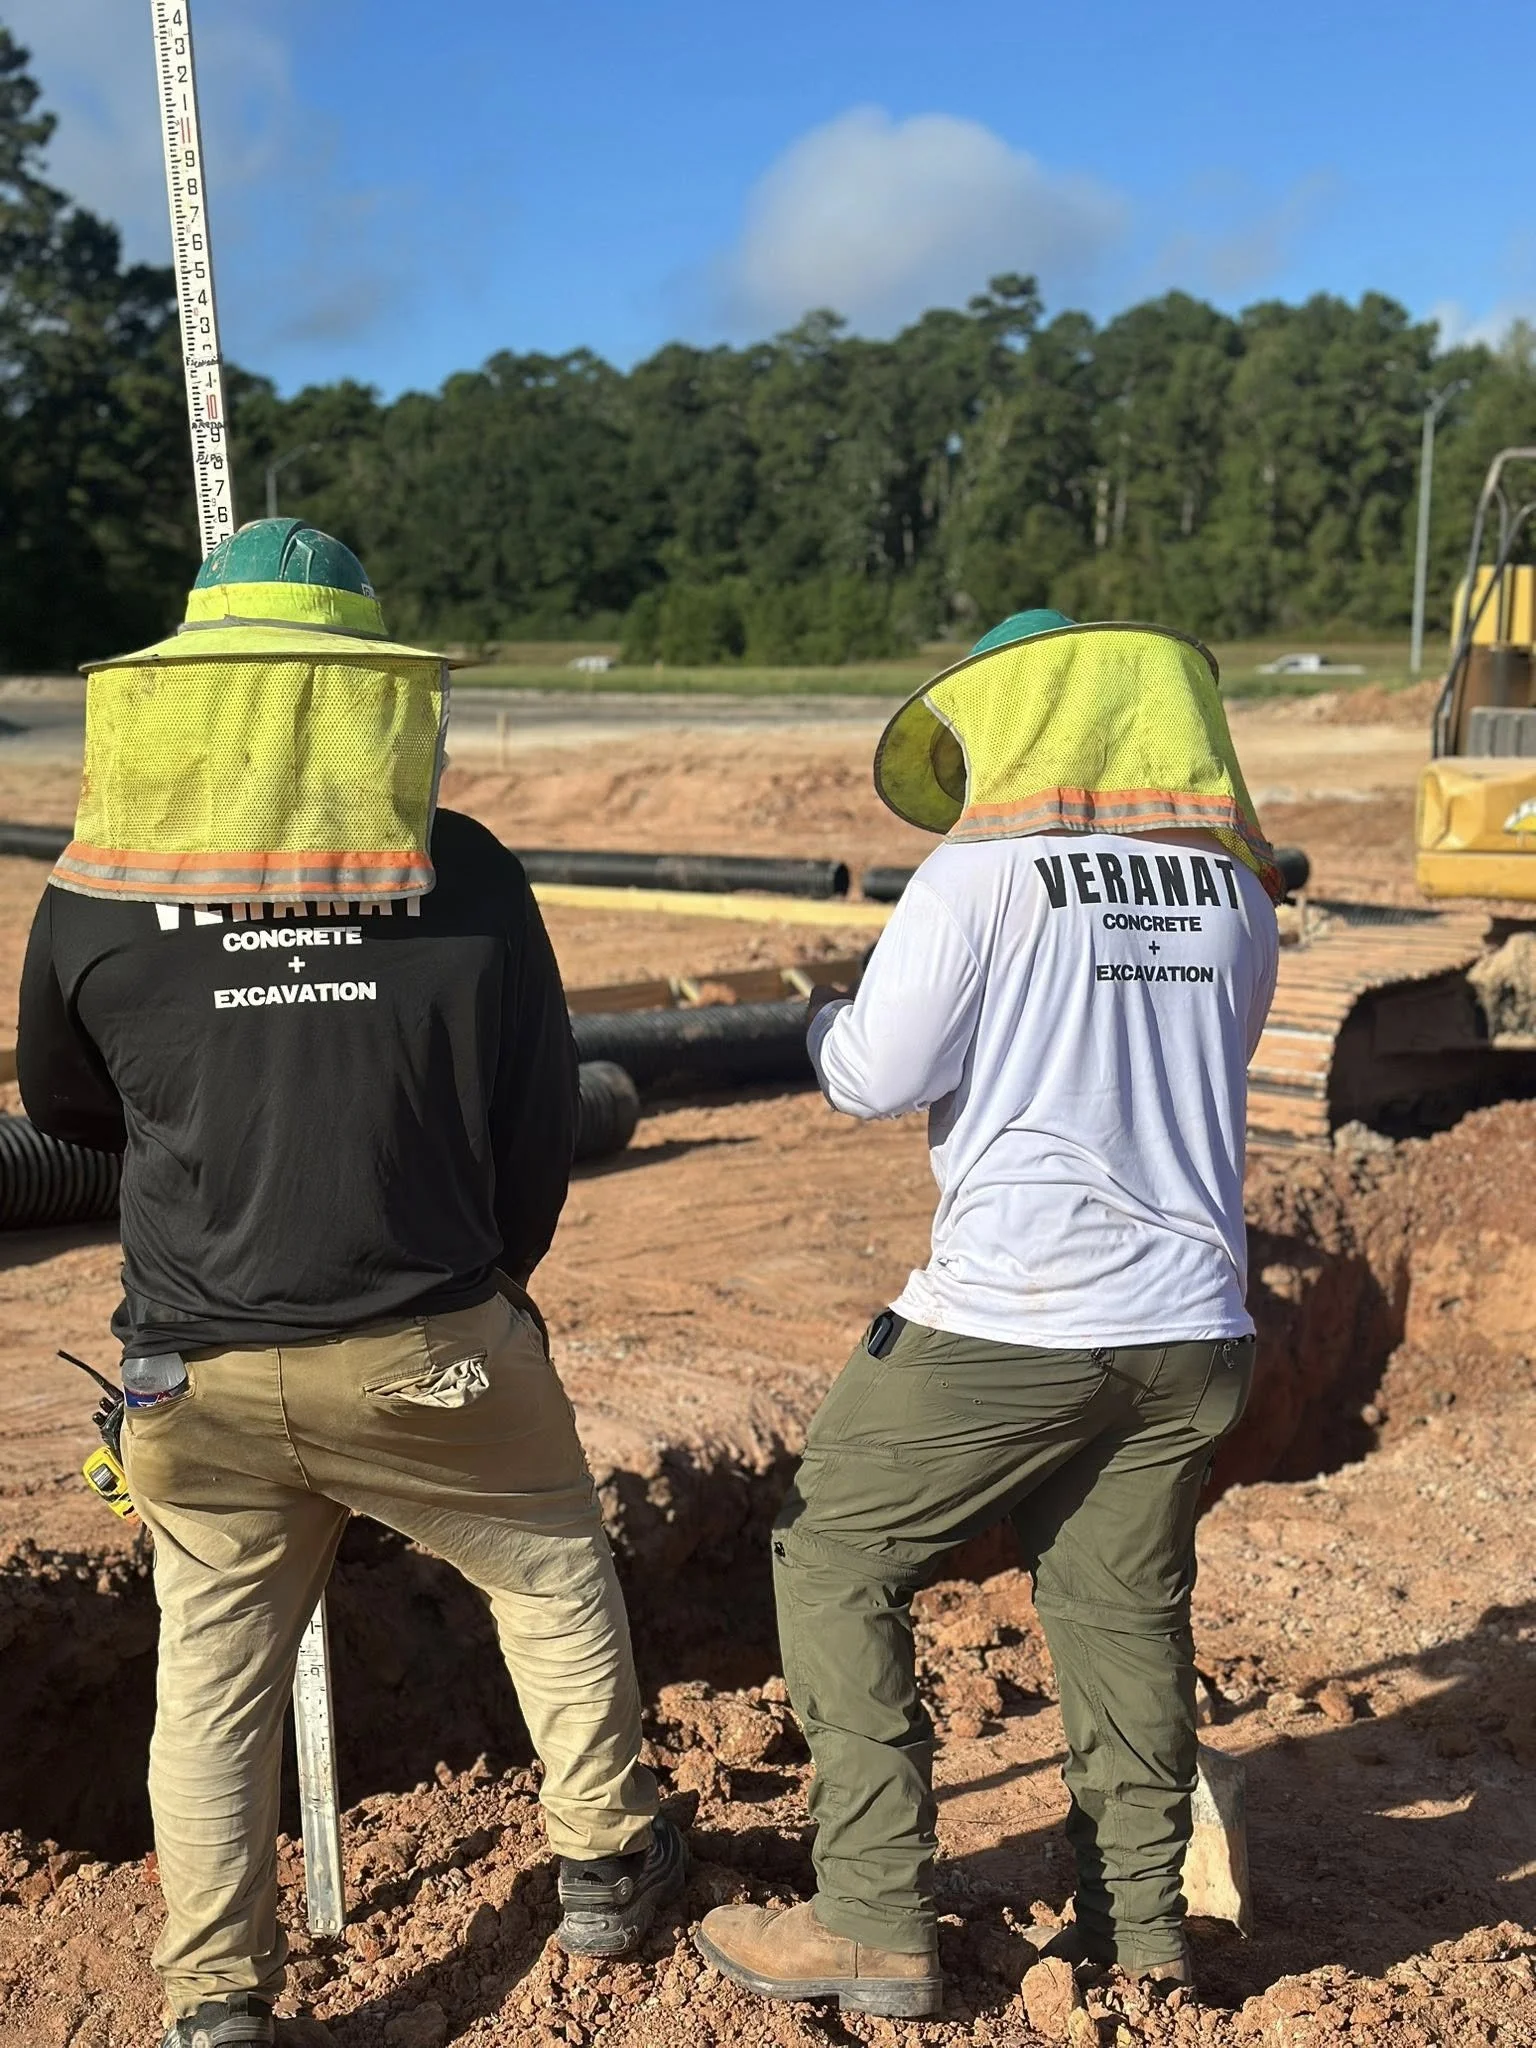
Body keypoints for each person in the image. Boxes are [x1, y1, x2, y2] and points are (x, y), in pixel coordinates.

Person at [18, 520, 685, 2048]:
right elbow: (536, 1125)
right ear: (369, 687)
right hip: (430, 1343)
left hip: (191, 1365)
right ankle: (602, 1867)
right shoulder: (467, 873)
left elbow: (67, 1115)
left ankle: (214, 2002)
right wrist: (482, 1294)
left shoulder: (98, 890)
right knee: (548, 1568)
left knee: (213, 1676)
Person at [697, 610, 1281, 2020]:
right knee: (1119, 1614)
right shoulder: (1231, 892)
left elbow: (873, 1077)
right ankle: (1142, 1936)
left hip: (1019, 1315)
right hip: (1194, 1325)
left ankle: (873, 1913)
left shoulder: (979, 880)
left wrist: (825, 1019)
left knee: (835, 1552)